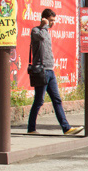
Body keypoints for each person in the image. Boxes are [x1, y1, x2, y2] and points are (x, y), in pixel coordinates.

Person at [27, 8, 83, 136]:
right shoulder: (36, 31)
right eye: (51, 20)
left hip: (50, 71)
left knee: (57, 100)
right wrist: (44, 26)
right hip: (41, 71)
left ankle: (66, 128)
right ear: (44, 19)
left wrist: (45, 27)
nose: (53, 23)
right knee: (39, 101)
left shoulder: (46, 31)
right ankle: (31, 128)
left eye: (53, 21)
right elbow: (40, 38)